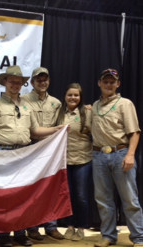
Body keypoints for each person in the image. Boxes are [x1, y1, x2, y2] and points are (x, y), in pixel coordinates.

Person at [0, 65, 65, 247]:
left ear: (22, 84)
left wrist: (56, 129)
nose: (15, 84)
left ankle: (20, 234)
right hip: (4, 152)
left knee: (22, 195)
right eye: (11, 81)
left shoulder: (26, 106)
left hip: (24, 152)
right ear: (5, 82)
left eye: (18, 82)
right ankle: (4, 236)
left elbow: (35, 130)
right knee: (5, 196)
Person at [92, 68, 143, 247]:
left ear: (118, 84)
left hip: (120, 154)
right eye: (105, 81)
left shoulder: (125, 104)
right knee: (103, 200)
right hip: (98, 155)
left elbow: (135, 133)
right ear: (99, 83)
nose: (108, 84)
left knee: (129, 199)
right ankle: (108, 236)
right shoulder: (95, 106)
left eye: (112, 81)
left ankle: (139, 238)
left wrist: (130, 155)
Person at [22, 67, 64, 241]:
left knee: (50, 188)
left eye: (45, 79)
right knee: (32, 189)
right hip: (31, 147)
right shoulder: (23, 100)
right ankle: (32, 228)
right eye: (38, 79)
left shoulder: (56, 103)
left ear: (49, 81)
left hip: (50, 150)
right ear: (32, 82)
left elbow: (61, 126)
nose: (42, 82)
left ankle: (51, 226)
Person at [56, 83, 92, 241]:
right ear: (65, 96)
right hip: (64, 161)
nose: (73, 98)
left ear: (80, 97)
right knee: (67, 195)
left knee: (81, 196)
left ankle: (82, 227)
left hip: (83, 159)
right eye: (70, 95)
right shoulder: (59, 113)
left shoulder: (87, 112)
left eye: (76, 95)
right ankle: (70, 226)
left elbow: (95, 133)